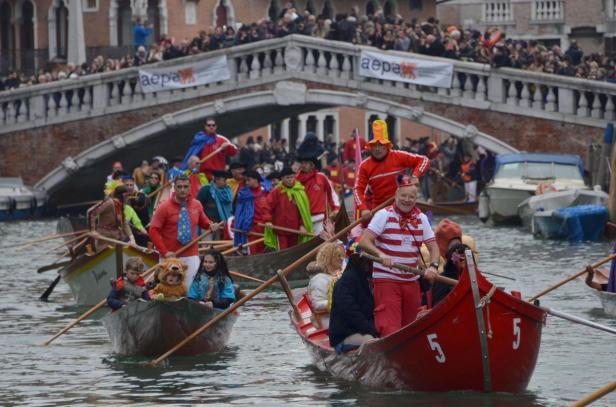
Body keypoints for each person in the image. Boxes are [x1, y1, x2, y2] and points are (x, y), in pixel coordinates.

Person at [359, 177, 439, 337]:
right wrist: (382, 255)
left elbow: (433, 247)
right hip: (387, 279)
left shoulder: (422, 218)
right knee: (390, 329)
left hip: (411, 281)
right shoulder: (383, 215)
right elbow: (365, 242)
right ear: (396, 196)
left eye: (411, 197)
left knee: (410, 329)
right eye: (403, 196)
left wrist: (434, 266)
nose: (407, 200)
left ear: (416, 199)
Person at [149, 175, 222, 290]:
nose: (182, 190)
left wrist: (210, 225)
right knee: (169, 289)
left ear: (190, 187)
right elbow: (153, 230)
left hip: (191, 255)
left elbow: (204, 222)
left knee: (191, 288)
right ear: (175, 188)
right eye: (179, 187)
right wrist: (164, 252)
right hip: (170, 256)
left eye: (185, 186)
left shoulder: (197, 204)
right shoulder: (163, 207)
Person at [355, 120, 430, 223]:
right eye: (374, 145)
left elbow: (424, 160)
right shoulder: (364, 166)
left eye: (381, 145)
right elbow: (357, 189)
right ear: (370, 147)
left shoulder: (399, 156)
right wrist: (363, 209)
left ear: (387, 146)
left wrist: (415, 176)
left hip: (404, 207)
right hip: (379, 212)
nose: (377, 149)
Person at [328, 253, 379, 351]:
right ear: (364, 263)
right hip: (343, 336)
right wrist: (372, 330)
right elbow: (350, 311)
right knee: (372, 341)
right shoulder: (347, 281)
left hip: (361, 330)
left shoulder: (364, 279)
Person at [264, 167, 313, 250]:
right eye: (287, 177)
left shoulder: (299, 191)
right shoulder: (276, 192)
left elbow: (303, 211)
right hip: (280, 230)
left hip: (295, 230)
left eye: (292, 177)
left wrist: (302, 225)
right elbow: (267, 206)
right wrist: (268, 220)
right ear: (282, 178)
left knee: (294, 251)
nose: (290, 180)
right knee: (282, 252)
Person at [296, 154, 340, 234]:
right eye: (302, 163)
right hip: (302, 221)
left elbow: (331, 194)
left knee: (320, 243)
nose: (303, 165)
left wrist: (335, 208)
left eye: (306, 163)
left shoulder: (322, 177)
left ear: (312, 165)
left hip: (319, 220)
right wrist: (299, 224)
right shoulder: (296, 180)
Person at [306, 242, 345, 329]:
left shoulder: (339, 275)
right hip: (327, 319)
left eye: (342, 255)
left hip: (342, 314)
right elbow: (317, 304)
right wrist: (341, 302)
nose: (342, 259)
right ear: (328, 258)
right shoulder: (319, 279)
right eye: (338, 256)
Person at [88, 184, 136, 250]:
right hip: (104, 238)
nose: (128, 199)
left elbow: (124, 222)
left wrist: (132, 238)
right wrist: (92, 230)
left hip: (116, 238)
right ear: (123, 196)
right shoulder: (109, 202)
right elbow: (91, 212)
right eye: (127, 196)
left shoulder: (121, 205)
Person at [233, 170, 271, 254]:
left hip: (264, 227)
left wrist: (268, 221)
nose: (246, 182)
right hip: (249, 229)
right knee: (252, 252)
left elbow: (268, 209)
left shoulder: (266, 192)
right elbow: (239, 213)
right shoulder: (243, 194)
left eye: (248, 180)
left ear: (256, 180)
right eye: (245, 180)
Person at [196, 170, 233, 240]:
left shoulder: (227, 191)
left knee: (217, 247)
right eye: (224, 180)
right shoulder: (206, 190)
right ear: (217, 180)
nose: (226, 183)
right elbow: (197, 206)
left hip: (220, 225)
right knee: (206, 246)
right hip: (207, 225)